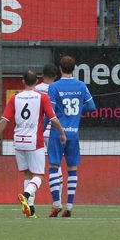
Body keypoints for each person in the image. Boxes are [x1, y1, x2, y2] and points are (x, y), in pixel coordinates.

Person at [0, 70, 66, 218]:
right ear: (37, 82)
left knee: (27, 174)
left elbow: (4, 120)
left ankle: (30, 209)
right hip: (34, 141)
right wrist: (62, 133)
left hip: (18, 141)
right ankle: (26, 194)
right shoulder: (42, 98)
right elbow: (53, 118)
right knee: (39, 176)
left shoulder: (15, 98)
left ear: (23, 81)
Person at [46, 55, 96, 217]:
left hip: (57, 133)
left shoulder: (54, 87)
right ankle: (70, 205)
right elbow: (92, 106)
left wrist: (41, 129)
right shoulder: (81, 86)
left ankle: (56, 203)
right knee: (72, 168)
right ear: (74, 68)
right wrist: (77, 112)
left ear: (60, 69)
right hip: (73, 134)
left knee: (54, 166)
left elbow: (50, 112)